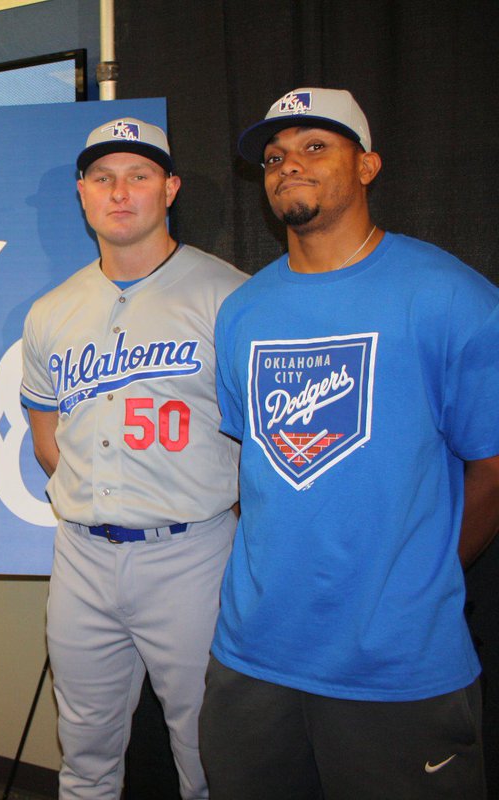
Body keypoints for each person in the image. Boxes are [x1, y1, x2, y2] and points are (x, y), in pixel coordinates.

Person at [200, 87, 499, 799]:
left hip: (397, 665)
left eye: (314, 147)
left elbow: (493, 469)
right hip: (252, 657)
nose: (288, 166)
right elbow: (258, 465)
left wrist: (419, 577)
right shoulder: (244, 312)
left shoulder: (449, 297)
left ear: (367, 166)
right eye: (275, 156)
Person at [20, 118, 246, 799]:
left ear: (170, 188)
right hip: (83, 558)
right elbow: (46, 439)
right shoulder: (51, 311)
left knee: (209, 753)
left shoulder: (230, 297)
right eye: (102, 177)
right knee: (84, 754)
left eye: (139, 175)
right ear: (82, 194)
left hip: (192, 554)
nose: (120, 192)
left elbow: (261, 439)